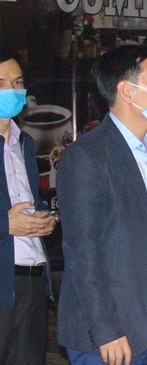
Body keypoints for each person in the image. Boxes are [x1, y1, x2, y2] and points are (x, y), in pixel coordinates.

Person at [56, 45, 147, 365]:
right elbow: (82, 251)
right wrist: (105, 329)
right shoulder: (88, 156)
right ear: (127, 91)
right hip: (110, 330)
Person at [0, 48, 58, 364]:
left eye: (18, 82)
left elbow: (26, 201)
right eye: (1, 82)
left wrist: (43, 218)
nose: (12, 89)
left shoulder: (25, 143)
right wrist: (5, 224)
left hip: (33, 279)